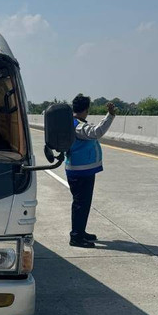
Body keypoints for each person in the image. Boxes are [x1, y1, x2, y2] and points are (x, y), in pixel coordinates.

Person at [65, 94, 115, 248]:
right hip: (80, 171)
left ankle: (80, 231)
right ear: (86, 109)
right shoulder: (77, 126)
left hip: (81, 170)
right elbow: (96, 132)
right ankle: (76, 237)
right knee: (81, 204)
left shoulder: (74, 123)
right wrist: (110, 116)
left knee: (83, 204)